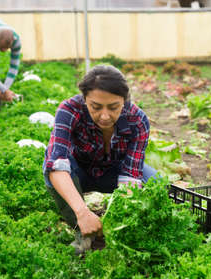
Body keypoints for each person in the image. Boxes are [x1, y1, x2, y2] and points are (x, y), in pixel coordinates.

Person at [43, 65, 157, 254]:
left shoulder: (137, 120)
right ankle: (81, 231)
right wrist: (83, 212)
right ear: (85, 99)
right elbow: (56, 165)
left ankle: (130, 232)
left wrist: (118, 222)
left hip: (113, 173)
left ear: (124, 100)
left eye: (113, 107)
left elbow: (131, 175)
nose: (104, 116)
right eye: (95, 107)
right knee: (51, 168)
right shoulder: (70, 110)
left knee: (156, 183)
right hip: (79, 173)